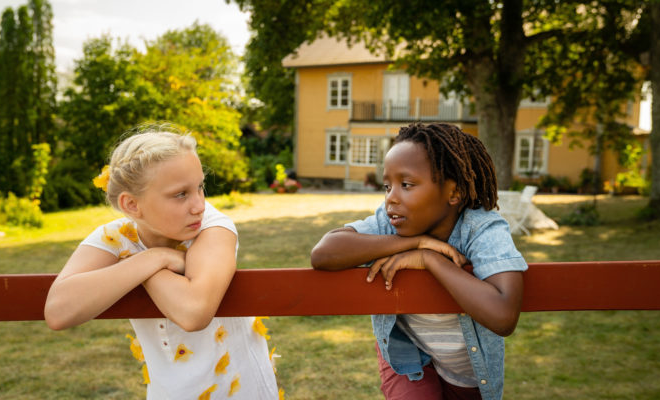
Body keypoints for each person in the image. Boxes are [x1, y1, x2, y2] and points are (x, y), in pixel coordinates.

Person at [44, 130, 279, 400]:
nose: (199, 205)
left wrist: (137, 268)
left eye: (200, 187)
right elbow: (58, 311)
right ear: (132, 205)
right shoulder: (116, 237)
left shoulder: (214, 227)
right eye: (181, 194)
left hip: (240, 393)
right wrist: (152, 258)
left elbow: (194, 312)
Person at [311, 123, 527, 400]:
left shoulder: (481, 228)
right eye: (387, 186)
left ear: (454, 192)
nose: (391, 197)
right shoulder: (390, 222)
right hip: (408, 358)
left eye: (407, 185)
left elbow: (503, 315)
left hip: (467, 373)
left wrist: (430, 259)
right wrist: (416, 242)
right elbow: (323, 253)